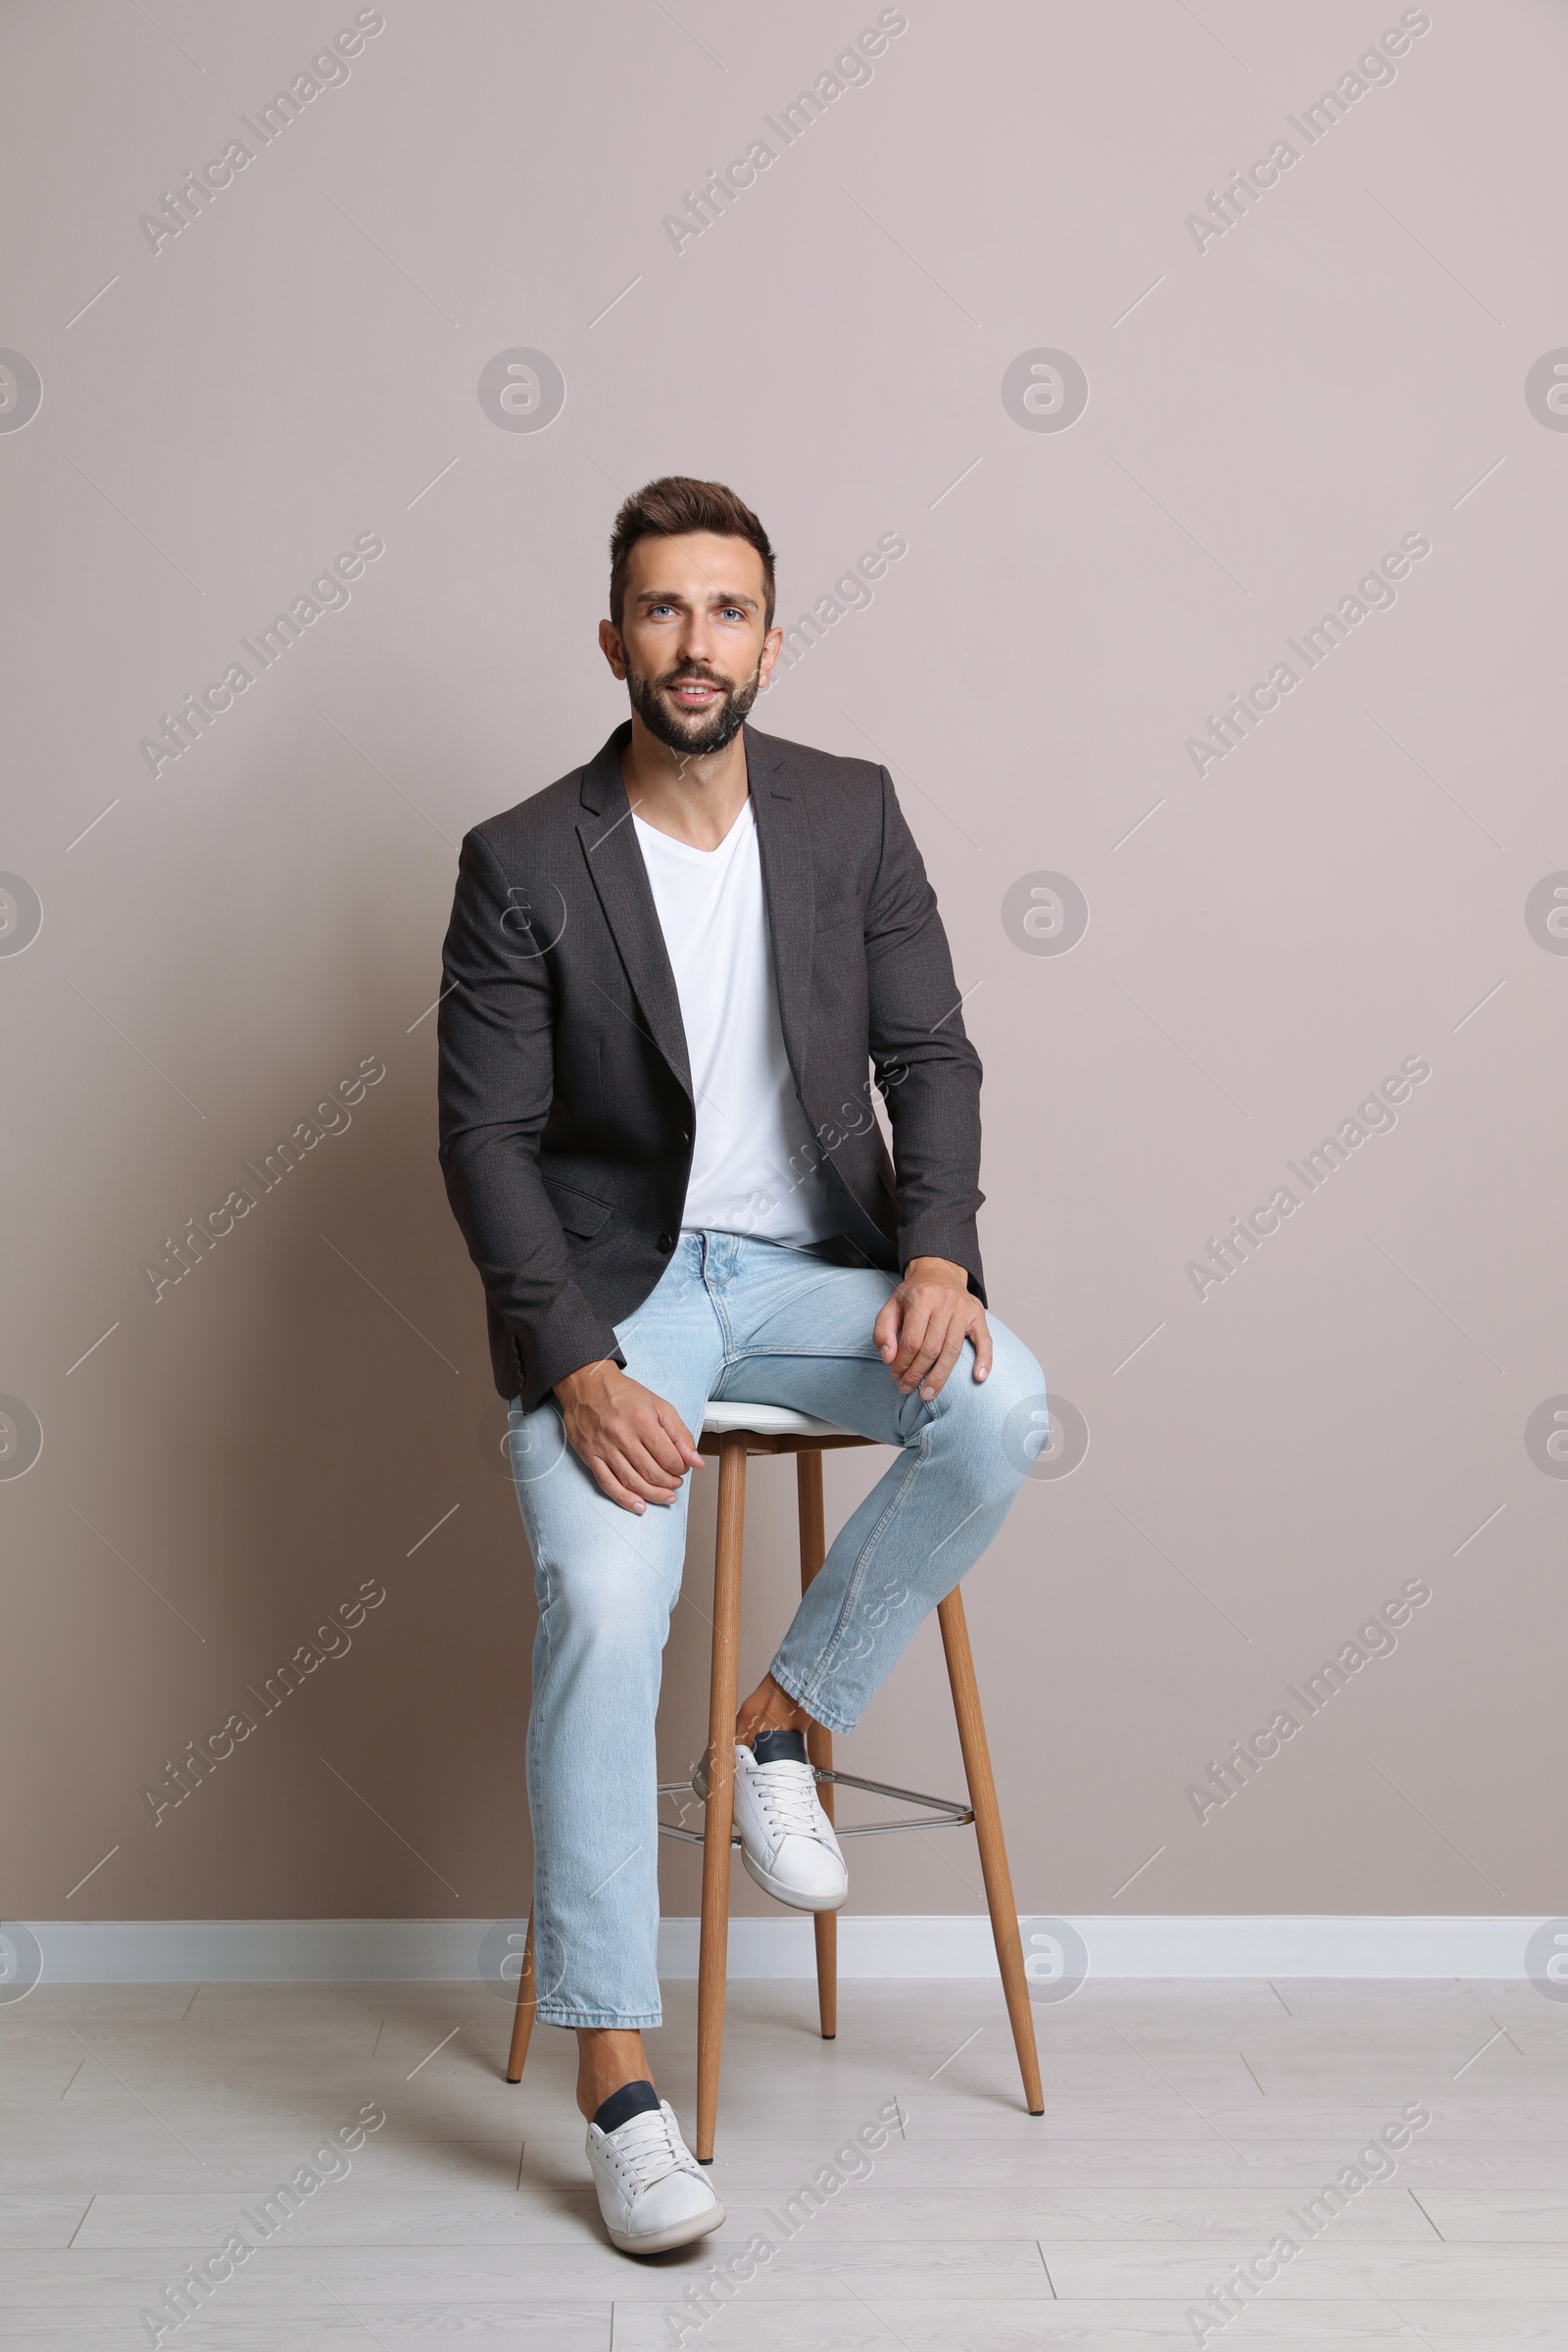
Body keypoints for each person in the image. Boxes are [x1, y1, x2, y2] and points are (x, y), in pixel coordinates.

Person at [437, 475, 1044, 2256]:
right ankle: (618, 2085)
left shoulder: (850, 814)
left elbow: (932, 1052)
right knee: (611, 1614)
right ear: (613, 638)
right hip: (621, 1300)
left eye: (726, 612)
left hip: (813, 1276)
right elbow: (484, 1143)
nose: (694, 646)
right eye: (662, 611)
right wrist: (575, 1366)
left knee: (1002, 1404)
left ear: (771, 640)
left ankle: (784, 1722)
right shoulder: (524, 858)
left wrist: (935, 1250)